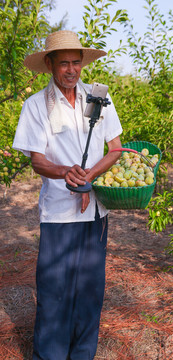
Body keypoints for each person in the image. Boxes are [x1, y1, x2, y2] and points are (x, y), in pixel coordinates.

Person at [12, 30, 122, 360]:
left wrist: (90, 174)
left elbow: (115, 149)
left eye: (76, 63)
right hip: (59, 214)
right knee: (55, 292)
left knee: (90, 292)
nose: (71, 70)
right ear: (49, 65)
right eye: (63, 64)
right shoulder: (36, 106)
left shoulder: (99, 98)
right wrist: (66, 172)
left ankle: (82, 355)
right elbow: (38, 160)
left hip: (95, 215)